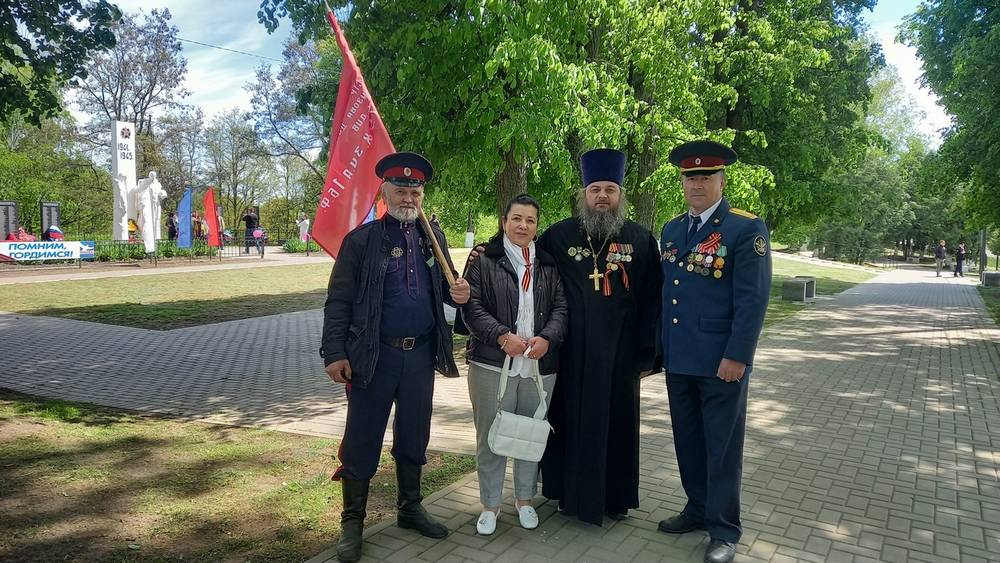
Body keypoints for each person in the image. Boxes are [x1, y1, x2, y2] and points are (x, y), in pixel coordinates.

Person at [321, 152, 471, 563]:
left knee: (414, 434)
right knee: (362, 439)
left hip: (420, 357)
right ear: (384, 192)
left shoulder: (432, 237)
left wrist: (458, 292)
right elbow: (338, 302)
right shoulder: (361, 242)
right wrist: (334, 352)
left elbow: (447, 286)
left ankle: (410, 508)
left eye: (415, 190)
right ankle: (352, 524)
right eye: (401, 190)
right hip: (373, 358)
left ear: (422, 194)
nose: (409, 197)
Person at [657, 140, 771, 563]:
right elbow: (668, 294)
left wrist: (738, 355)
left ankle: (724, 530)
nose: (697, 184)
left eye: (705, 176)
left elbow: (753, 298)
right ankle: (697, 507)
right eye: (690, 177)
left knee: (721, 447)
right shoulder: (672, 230)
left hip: (722, 361)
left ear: (722, 180)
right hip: (679, 358)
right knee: (687, 441)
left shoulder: (744, 228)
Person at [536, 148, 662, 525]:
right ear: (583, 194)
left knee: (617, 425)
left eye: (610, 188)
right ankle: (566, 494)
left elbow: (652, 299)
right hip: (571, 354)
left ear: (620, 194)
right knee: (568, 421)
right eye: (595, 189)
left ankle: (615, 497)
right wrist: (485, 252)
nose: (602, 196)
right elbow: (527, 265)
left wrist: (647, 356)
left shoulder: (640, 240)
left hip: (620, 358)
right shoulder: (558, 235)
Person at [461, 194, 568, 535]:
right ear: (504, 221)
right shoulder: (483, 260)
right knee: (491, 437)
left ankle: (524, 500)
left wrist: (547, 339)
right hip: (493, 363)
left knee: (530, 436)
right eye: (516, 218)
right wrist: (502, 336)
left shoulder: (549, 264)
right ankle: (490, 505)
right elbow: (471, 308)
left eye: (530, 220)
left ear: (538, 226)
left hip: (538, 366)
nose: (523, 226)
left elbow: (562, 310)